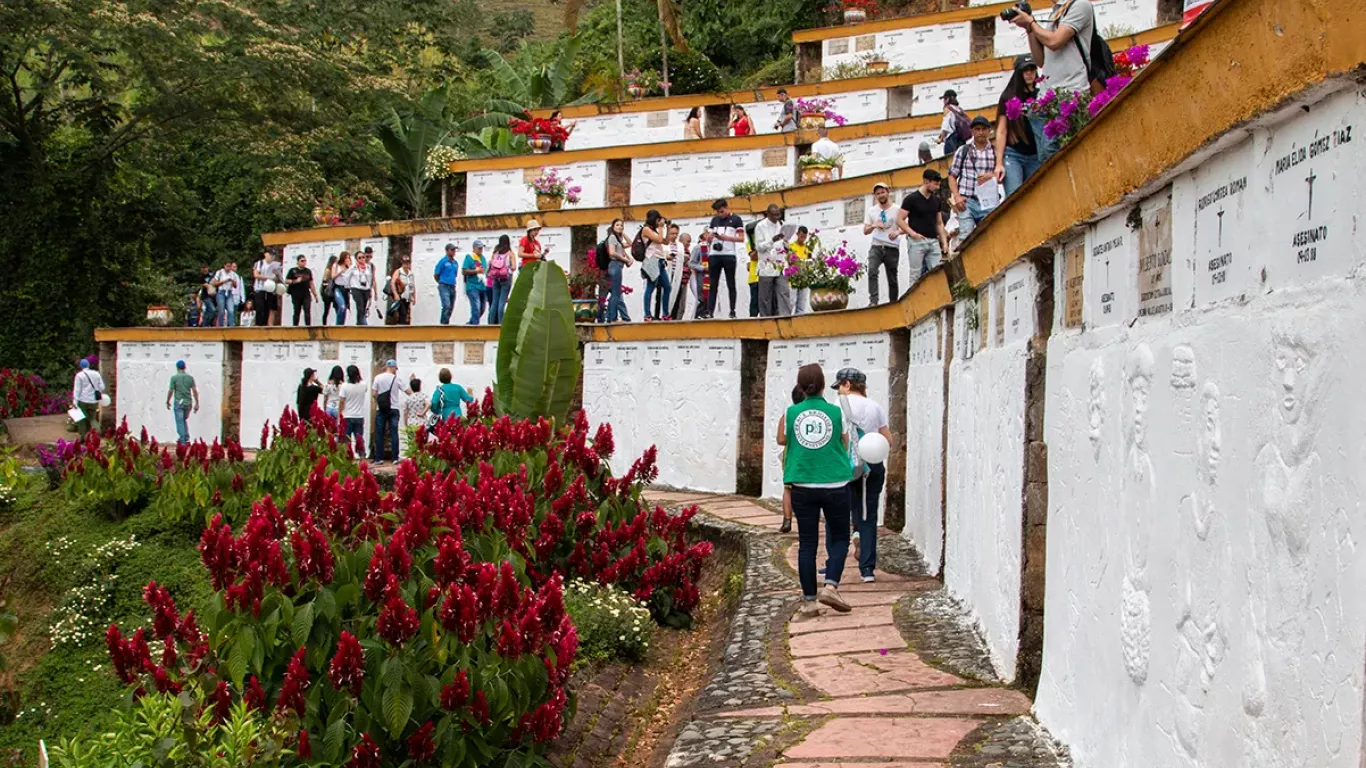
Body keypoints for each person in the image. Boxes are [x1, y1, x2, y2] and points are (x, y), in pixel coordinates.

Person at [776, 363, 853, 619]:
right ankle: (831, 585)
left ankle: (809, 603)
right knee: (840, 537)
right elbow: (844, 442)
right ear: (822, 385)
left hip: (801, 484)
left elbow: (784, 439)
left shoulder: (790, 413)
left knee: (807, 544)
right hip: (836, 483)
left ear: (800, 387)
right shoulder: (836, 412)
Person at [1009, 0, 1094, 163]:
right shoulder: (1055, 13)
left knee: (1054, 156)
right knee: (1045, 162)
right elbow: (1040, 60)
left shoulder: (1080, 5)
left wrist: (1031, 23)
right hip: (1046, 100)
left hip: (1069, 96)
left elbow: (1055, 41)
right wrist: (1029, 29)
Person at [835, 368, 893, 583]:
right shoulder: (875, 407)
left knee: (840, 513)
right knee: (869, 515)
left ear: (847, 384)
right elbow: (889, 439)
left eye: (839, 386)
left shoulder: (837, 407)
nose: (838, 390)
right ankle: (867, 569)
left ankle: (834, 566)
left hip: (845, 467)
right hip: (872, 464)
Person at [993, 54, 1044, 197]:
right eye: (1025, 70)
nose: (1029, 74)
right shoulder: (1008, 97)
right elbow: (1002, 131)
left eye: (1032, 69)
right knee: (1015, 196)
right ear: (1019, 73)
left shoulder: (1041, 95)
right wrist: (999, 163)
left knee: (1037, 196)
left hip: (1036, 155)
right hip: (1013, 154)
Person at [948, 116, 999, 239]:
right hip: (967, 202)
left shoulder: (995, 151)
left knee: (989, 237)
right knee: (966, 238)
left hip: (988, 202)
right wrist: (957, 197)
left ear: (988, 131)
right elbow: (952, 176)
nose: (980, 132)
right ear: (972, 131)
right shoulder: (963, 150)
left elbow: (1001, 175)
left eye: (983, 129)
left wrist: (990, 176)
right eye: (977, 129)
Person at [898, 169, 952, 282]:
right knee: (915, 274)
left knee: (939, 272)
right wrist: (913, 234)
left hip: (933, 241)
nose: (937, 187)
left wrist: (945, 243)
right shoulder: (911, 199)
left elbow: (939, 223)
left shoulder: (936, 200)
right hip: (917, 242)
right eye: (935, 184)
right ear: (927, 181)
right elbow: (900, 220)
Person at [863, 183, 903, 306]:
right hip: (876, 245)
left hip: (892, 247)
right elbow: (865, 230)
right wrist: (874, 225)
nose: (881, 195)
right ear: (875, 196)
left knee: (892, 276)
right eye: (878, 193)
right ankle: (873, 301)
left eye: (882, 192)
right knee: (872, 270)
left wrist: (897, 232)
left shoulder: (897, 209)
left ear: (887, 192)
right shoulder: (872, 210)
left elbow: (905, 226)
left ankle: (893, 303)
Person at [706, 199, 744, 319]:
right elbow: (708, 239)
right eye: (718, 212)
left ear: (727, 208)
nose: (720, 214)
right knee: (713, 284)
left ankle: (732, 310)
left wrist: (725, 237)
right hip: (714, 254)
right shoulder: (714, 220)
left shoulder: (736, 219)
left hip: (729, 253)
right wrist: (710, 238)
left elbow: (741, 238)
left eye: (722, 211)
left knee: (730, 283)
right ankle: (709, 311)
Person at [370, 360, 412, 465]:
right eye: (396, 368)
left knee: (380, 433)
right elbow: (408, 392)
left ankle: (379, 458)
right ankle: (395, 458)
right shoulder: (396, 379)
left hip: (382, 408)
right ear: (393, 367)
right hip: (394, 408)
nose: (396, 370)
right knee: (394, 432)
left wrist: (380, 400)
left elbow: (374, 393)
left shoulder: (378, 378)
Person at [755, 204, 793, 317]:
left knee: (784, 292)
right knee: (765, 297)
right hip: (767, 265)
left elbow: (785, 244)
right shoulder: (760, 226)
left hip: (781, 264)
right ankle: (766, 320)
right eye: (775, 215)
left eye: (779, 214)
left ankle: (785, 318)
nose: (777, 217)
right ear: (768, 214)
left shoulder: (782, 224)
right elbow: (759, 247)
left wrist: (786, 244)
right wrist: (772, 241)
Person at [779, 384, 805, 534]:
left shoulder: (788, 414)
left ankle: (787, 520)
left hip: (792, 455)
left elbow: (781, 439)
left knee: (788, 489)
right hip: (810, 456)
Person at [640, 211, 671, 321]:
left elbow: (666, 242)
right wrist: (661, 227)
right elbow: (658, 239)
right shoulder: (646, 229)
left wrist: (668, 228)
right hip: (652, 260)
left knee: (667, 287)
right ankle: (647, 314)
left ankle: (665, 313)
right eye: (658, 219)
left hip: (660, 261)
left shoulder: (656, 230)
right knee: (650, 287)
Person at [604, 218, 632, 323]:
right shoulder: (612, 237)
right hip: (615, 265)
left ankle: (611, 316)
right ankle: (612, 317)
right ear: (613, 227)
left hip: (618, 266)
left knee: (616, 293)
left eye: (621, 225)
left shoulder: (617, 239)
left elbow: (630, 243)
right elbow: (612, 252)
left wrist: (622, 233)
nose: (620, 227)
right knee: (615, 293)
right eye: (617, 225)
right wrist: (624, 259)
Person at [165, 360, 199, 445]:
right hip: (188, 403)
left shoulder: (174, 378)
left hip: (179, 402)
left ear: (177, 367)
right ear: (185, 367)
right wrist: (197, 403)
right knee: (183, 420)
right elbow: (194, 391)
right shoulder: (190, 378)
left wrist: (168, 401)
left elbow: (171, 390)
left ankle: (183, 440)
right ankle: (186, 438)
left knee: (179, 421)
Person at [72, 358, 105, 438]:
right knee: (92, 419)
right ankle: (98, 432)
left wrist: (75, 402)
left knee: (81, 419)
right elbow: (102, 387)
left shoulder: (79, 375)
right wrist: (96, 390)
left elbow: (77, 390)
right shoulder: (96, 374)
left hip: (82, 400)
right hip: (93, 401)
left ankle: (83, 437)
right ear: (88, 365)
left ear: (80, 366)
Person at [486, 235, 515, 325]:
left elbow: (490, 264)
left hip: (495, 279)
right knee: (502, 302)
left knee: (494, 302)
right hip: (506, 279)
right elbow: (514, 267)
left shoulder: (495, 253)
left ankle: (491, 323)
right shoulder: (510, 253)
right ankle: (500, 323)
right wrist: (508, 268)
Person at [338, 365, 368, 445]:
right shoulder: (363, 385)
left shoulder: (344, 386)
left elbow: (341, 401)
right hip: (359, 415)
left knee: (346, 438)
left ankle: (347, 455)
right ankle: (362, 454)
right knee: (359, 438)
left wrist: (339, 412)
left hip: (347, 415)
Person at [252, 251, 283, 327]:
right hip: (260, 288)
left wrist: (276, 274)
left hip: (270, 288)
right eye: (270, 255)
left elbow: (278, 277)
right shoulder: (259, 263)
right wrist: (268, 278)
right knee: (260, 308)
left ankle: (266, 325)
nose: (272, 257)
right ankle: (258, 325)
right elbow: (256, 275)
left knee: (268, 308)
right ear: (266, 254)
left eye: (273, 255)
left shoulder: (274, 265)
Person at [938, 89, 972, 158]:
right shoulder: (959, 109)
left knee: (951, 163)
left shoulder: (947, 108)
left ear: (948, 99)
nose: (943, 101)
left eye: (944, 99)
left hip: (951, 141)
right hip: (961, 141)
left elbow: (945, 126)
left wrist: (940, 138)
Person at [286, 254, 317, 326]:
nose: (304, 262)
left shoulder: (308, 271)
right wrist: (295, 281)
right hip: (296, 294)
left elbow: (311, 283)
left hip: (306, 294)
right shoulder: (293, 270)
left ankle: (308, 327)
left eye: (305, 261)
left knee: (307, 311)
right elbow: (286, 281)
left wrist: (315, 294)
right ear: (298, 262)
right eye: (302, 261)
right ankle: (295, 327)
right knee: (297, 312)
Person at [400, 378, 428, 457]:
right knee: (422, 443)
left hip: (411, 422)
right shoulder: (423, 396)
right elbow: (428, 404)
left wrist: (405, 423)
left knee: (412, 444)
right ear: (420, 387)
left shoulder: (408, 398)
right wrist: (423, 412)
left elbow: (405, 412)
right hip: (422, 423)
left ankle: (413, 458)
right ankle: (422, 459)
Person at [462, 240, 488, 325]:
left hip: (482, 286)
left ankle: (470, 324)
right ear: (474, 248)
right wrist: (475, 271)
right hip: (472, 286)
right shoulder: (469, 257)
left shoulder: (483, 258)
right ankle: (475, 327)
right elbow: (464, 271)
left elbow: (485, 271)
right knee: (476, 307)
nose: (481, 250)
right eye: (479, 248)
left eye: (481, 248)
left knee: (482, 308)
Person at [350, 248, 378, 325]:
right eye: (367, 256)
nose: (368, 258)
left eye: (370, 256)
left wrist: (374, 292)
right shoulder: (356, 265)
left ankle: (359, 324)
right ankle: (363, 325)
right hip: (357, 289)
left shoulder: (372, 266)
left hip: (367, 289)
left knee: (363, 308)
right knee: (360, 307)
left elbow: (373, 279)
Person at [434, 243, 459, 325]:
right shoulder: (443, 261)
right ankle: (443, 324)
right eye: (452, 250)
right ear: (447, 251)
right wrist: (441, 282)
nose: (454, 251)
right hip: (444, 286)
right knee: (446, 306)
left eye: (454, 250)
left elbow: (455, 274)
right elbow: (436, 274)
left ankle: (446, 323)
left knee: (451, 307)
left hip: (452, 286)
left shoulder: (455, 263)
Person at [211, 260, 241, 327]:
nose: (228, 268)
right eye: (227, 266)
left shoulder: (233, 274)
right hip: (221, 292)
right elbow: (215, 283)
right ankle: (220, 326)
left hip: (229, 292)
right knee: (221, 311)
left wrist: (233, 281)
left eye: (230, 266)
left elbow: (235, 286)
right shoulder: (220, 272)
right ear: (224, 266)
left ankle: (231, 326)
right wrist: (225, 281)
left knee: (231, 310)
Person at [670, 231, 692, 320]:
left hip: (685, 280)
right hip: (677, 280)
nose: (689, 244)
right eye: (688, 241)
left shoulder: (687, 251)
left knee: (682, 305)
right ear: (681, 241)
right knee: (675, 302)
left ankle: (678, 320)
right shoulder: (677, 250)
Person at [688, 232, 709, 319]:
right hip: (701, 277)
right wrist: (703, 268)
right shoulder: (699, 247)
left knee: (709, 299)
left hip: (711, 277)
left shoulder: (714, 247)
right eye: (708, 234)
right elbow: (691, 263)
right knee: (702, 298)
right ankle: (698, 317)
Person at [329, 252, 352, 325]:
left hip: (346, 289)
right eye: (346, 257)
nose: (347, 259)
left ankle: (341, 325)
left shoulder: (350, 267)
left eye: (349, 258)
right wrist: (341, 271)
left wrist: (349, 267)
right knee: (342, 306)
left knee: (344, 309)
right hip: (338, 288)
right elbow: (333, 277)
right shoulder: (336, 265)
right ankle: (338, 325)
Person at [320, 255, 337, 326]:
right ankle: (324, 324)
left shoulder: (335, 270)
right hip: (326, 291)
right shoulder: (328, 270)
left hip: (332, 291)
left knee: (336, 307)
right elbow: (324, 281)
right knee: (326, 309)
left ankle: (338, 323)